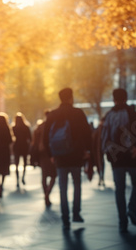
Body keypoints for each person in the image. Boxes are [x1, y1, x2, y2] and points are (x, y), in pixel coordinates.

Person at [43, 88, 91, 230]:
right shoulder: (78, 113)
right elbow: (87, 133)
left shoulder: (52, 114)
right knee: (77, 184)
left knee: (62, 187)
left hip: (59, 157)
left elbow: (45, 136)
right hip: (76, 156)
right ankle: (76, 213)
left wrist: (50, 154)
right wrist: (87, 151)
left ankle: (65, 217)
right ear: (71, 98)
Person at [101, 88, 136, 233]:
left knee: (119, 189)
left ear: (114, 99)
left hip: (116, 159)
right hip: (132, 157)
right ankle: (132, 208)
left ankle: (122, 221)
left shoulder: (108, 115)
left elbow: (104, 137)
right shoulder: (132, 113)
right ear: (126, 98)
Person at [31, 111, 57, 208]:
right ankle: (47, 194)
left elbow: (34, 142)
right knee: (53, 176)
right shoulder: (53, 126)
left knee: (44, 175)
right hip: (51, 153)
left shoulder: (39, 126)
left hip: (41, 154)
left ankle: (46, 194)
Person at [12, 112, 32, 188]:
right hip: (24, 146)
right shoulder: (26, 127)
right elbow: (30, 138)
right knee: (24, 163)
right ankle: (23, 177)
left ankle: (17, 180)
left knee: (16, 164)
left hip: (17, 146)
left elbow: (12, 138)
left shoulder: (14, 127)